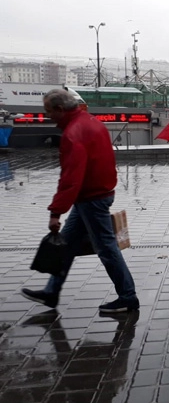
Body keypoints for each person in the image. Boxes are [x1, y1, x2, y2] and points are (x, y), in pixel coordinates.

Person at [21, 89, 139, 313]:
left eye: (48, 111)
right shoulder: (91, 122)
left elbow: (70, 178)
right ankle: (51, 292)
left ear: (60, 109)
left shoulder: (73, 133)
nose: (47, 116)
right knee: (67, 244)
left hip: (91, 198)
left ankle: (128, 297)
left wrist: (55, 213)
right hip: (96, 194)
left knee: (107, 249)